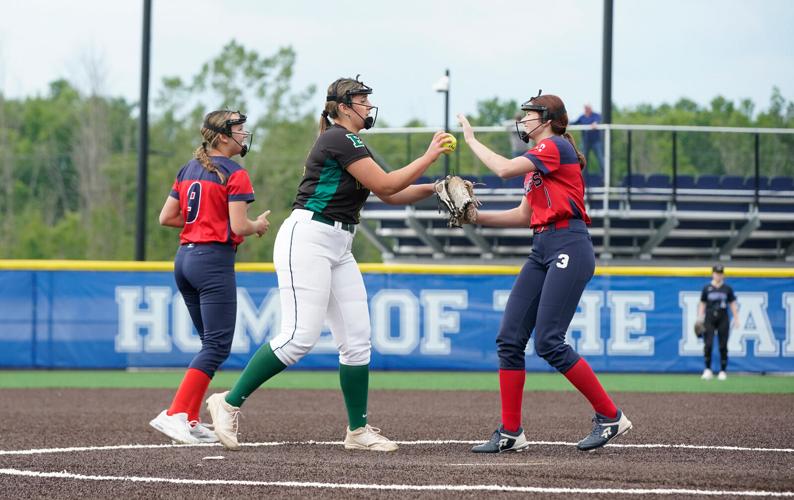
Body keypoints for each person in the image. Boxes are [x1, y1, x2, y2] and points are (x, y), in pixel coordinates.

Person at [206, 75, 452, 452]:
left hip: (338, 242)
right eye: (361, 100)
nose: (368, 106)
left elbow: (391, 195)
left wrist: (434, 188)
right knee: (298, 337)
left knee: (357, 341)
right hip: (309, 238)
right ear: (342, 107)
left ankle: (357, 431)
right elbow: (387, 186)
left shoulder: (351, 142)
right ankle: (227, 401)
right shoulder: (340, 137)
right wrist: (429, 156)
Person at [457, 90, 632, 453]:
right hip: (543, 248)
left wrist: (471, 140)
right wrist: (474, 217)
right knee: (509, 338)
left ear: (548, 120)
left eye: (530, 114)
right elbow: (523, 215)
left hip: (569, 244)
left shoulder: (555, 148)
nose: (523, 120)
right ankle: (510, 432)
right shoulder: (540, 161)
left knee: (549, 341)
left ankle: (610, 416)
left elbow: (503, 168)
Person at [149, 110, 271, 444]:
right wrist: (257, 226)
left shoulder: (189, 168)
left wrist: (203, 222)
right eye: (238, 129)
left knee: (210, 345)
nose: (244, 134)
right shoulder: (235, 172)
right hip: (212, 261)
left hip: (185, 259)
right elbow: (239, 226)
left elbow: (167, 217)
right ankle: (175, 412)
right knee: (217, 345)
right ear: (221, 137)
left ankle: (189, 418)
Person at [698, 264, 739, 381]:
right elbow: (702, 303)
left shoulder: (727, 289)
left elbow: (732, 304)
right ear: (713, 274)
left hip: (723, 317)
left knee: (723, 345)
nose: (718, 275)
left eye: (720, 273)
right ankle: (707, 369)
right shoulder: (707, 288)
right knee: (708, 344)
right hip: (709, 318)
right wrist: (699, 318)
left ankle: (723, 370)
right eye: (716, 273)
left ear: (723, 275)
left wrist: (736, 318)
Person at [572, 103, 604, 173]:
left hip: (596, 142)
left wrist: (595, 123)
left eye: (588, 108)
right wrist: (566, 123)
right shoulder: (582, 117)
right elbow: (574, 123)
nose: (587, 109)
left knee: (601, 159)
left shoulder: (596, 115)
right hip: (585, 142)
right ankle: (582, 178)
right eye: (586, 108)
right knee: (582, 160)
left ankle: (604, 177)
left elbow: (597, 120)